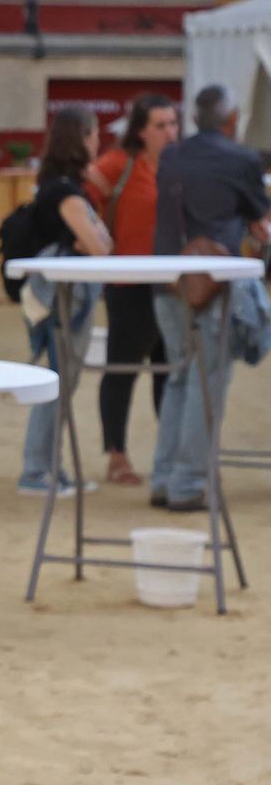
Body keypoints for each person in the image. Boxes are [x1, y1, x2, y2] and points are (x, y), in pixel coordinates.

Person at [150, 84, 271, 511]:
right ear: (232, 119)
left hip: (167, 277)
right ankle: (188, 483)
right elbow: (261, 220)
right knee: (207, 381)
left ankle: (165, 477)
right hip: (214, 282)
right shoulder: (242, 159)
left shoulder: (171, 155)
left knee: (180, 376)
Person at [83, 94, 179, 487]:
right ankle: (116, 455)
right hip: (128, 284)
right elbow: (82, 198)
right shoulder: (119, 164)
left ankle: (170, 455)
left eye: (173, 123)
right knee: (123, 369)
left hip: (174, 285)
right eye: (161, 125)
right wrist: (100, 245)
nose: (170, 132)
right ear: (141, 130)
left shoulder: (179, 165)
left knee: (169, 372)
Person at [17, 106, 113, 496]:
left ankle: (47, 466)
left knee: (60, 381)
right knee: (57, 382)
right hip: (63, 298)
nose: (97, 143)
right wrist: (92, 236)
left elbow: (99, 243)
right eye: (93, 135)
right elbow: (100, 247)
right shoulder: (66, 193)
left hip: (62, 296)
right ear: (81, 139)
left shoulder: (57, 187)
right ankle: (37, 470)